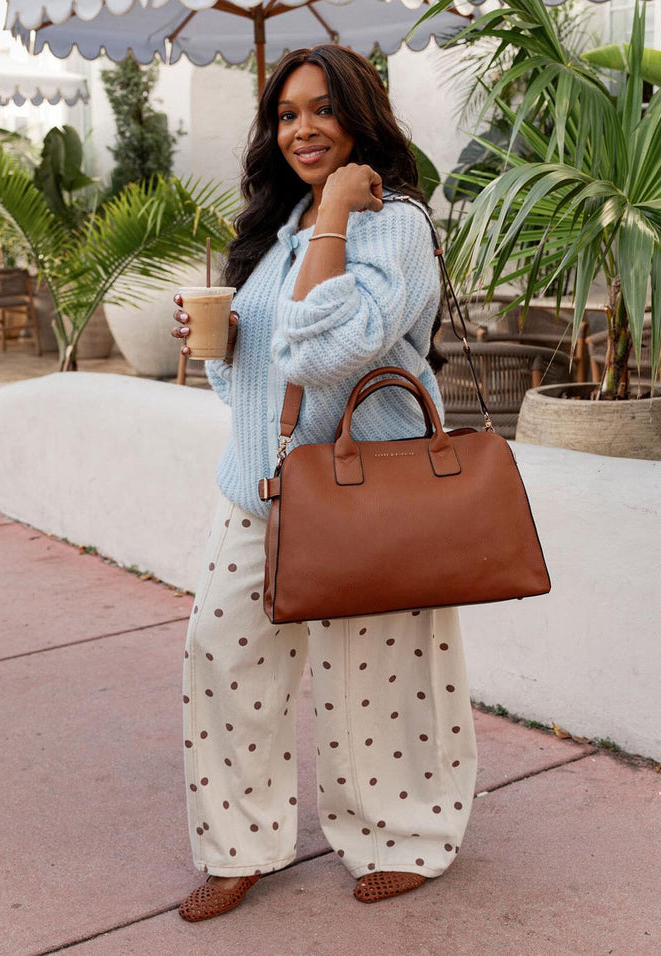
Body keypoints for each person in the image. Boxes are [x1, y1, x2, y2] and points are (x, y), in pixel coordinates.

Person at [172, 44, 477, 922]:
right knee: (223, 661)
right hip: (258, 491)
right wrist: (218, 348)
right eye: (287, 115)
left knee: (377, 677)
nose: (303, 130)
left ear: (360, 115)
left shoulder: (397, 224)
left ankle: (405, 836)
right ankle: (239, 845)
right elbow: (268, 368)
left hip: (366, 491)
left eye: (321, 110)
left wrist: (341, 210)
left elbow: (323, 348)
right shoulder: (283, 224)